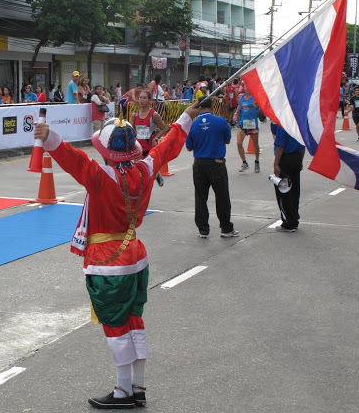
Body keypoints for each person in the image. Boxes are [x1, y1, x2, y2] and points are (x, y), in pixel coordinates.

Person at [34, 100, 204, 410]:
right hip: (136, 256)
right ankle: (137, 387)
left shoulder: (101, 176)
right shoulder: (146, 168)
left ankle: (123, 391)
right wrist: (186, 117)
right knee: (134, 319)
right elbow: (166, 146)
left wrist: (49, 137)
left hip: (107, 262)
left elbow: (74, 160)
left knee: (115, 325)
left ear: (105, 150)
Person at [186, 96, 238, 239]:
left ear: (198, 106)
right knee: (222, 196)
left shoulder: (193, 124)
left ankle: (203, 229)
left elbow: (189, 147)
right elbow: (227, 140)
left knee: (200, 197)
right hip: (217, 163)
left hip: (199, 163)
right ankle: (226, 228)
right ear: (211, 105)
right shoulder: (221, 121)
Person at [272, 124, 305, 232]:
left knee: (284, 191)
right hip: (297, 157)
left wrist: (276, 164)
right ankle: (294, 217)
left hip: (285, 159)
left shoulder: (283, 125)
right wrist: (300, 160)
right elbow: (303, 145)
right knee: (295, 190)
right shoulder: (298, 125)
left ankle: (288, 221)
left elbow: (280, 147)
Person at [133, 89, 168, 187]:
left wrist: (156, 138)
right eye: (140, 98)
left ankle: (157, 175)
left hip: (150, 147)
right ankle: (141, 190)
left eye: (144, 98)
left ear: (149, 100)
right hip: (138, 147)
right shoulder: (134, 115)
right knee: (137, 170)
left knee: (150, 169)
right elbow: (133, 131)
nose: (142, 100)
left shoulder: (154, 114)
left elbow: (163, 129)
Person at [233, 87, 261, 173]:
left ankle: (256, 161)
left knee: (255, 144)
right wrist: (236, 114)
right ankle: (244, 162)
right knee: (238, 143)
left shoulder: (255, 98)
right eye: (246, 86)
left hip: (252, 123)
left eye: (249, 86)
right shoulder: (241, 97)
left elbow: (260, 108)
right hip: (242, 123)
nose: (247, 88)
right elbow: (239, 106)